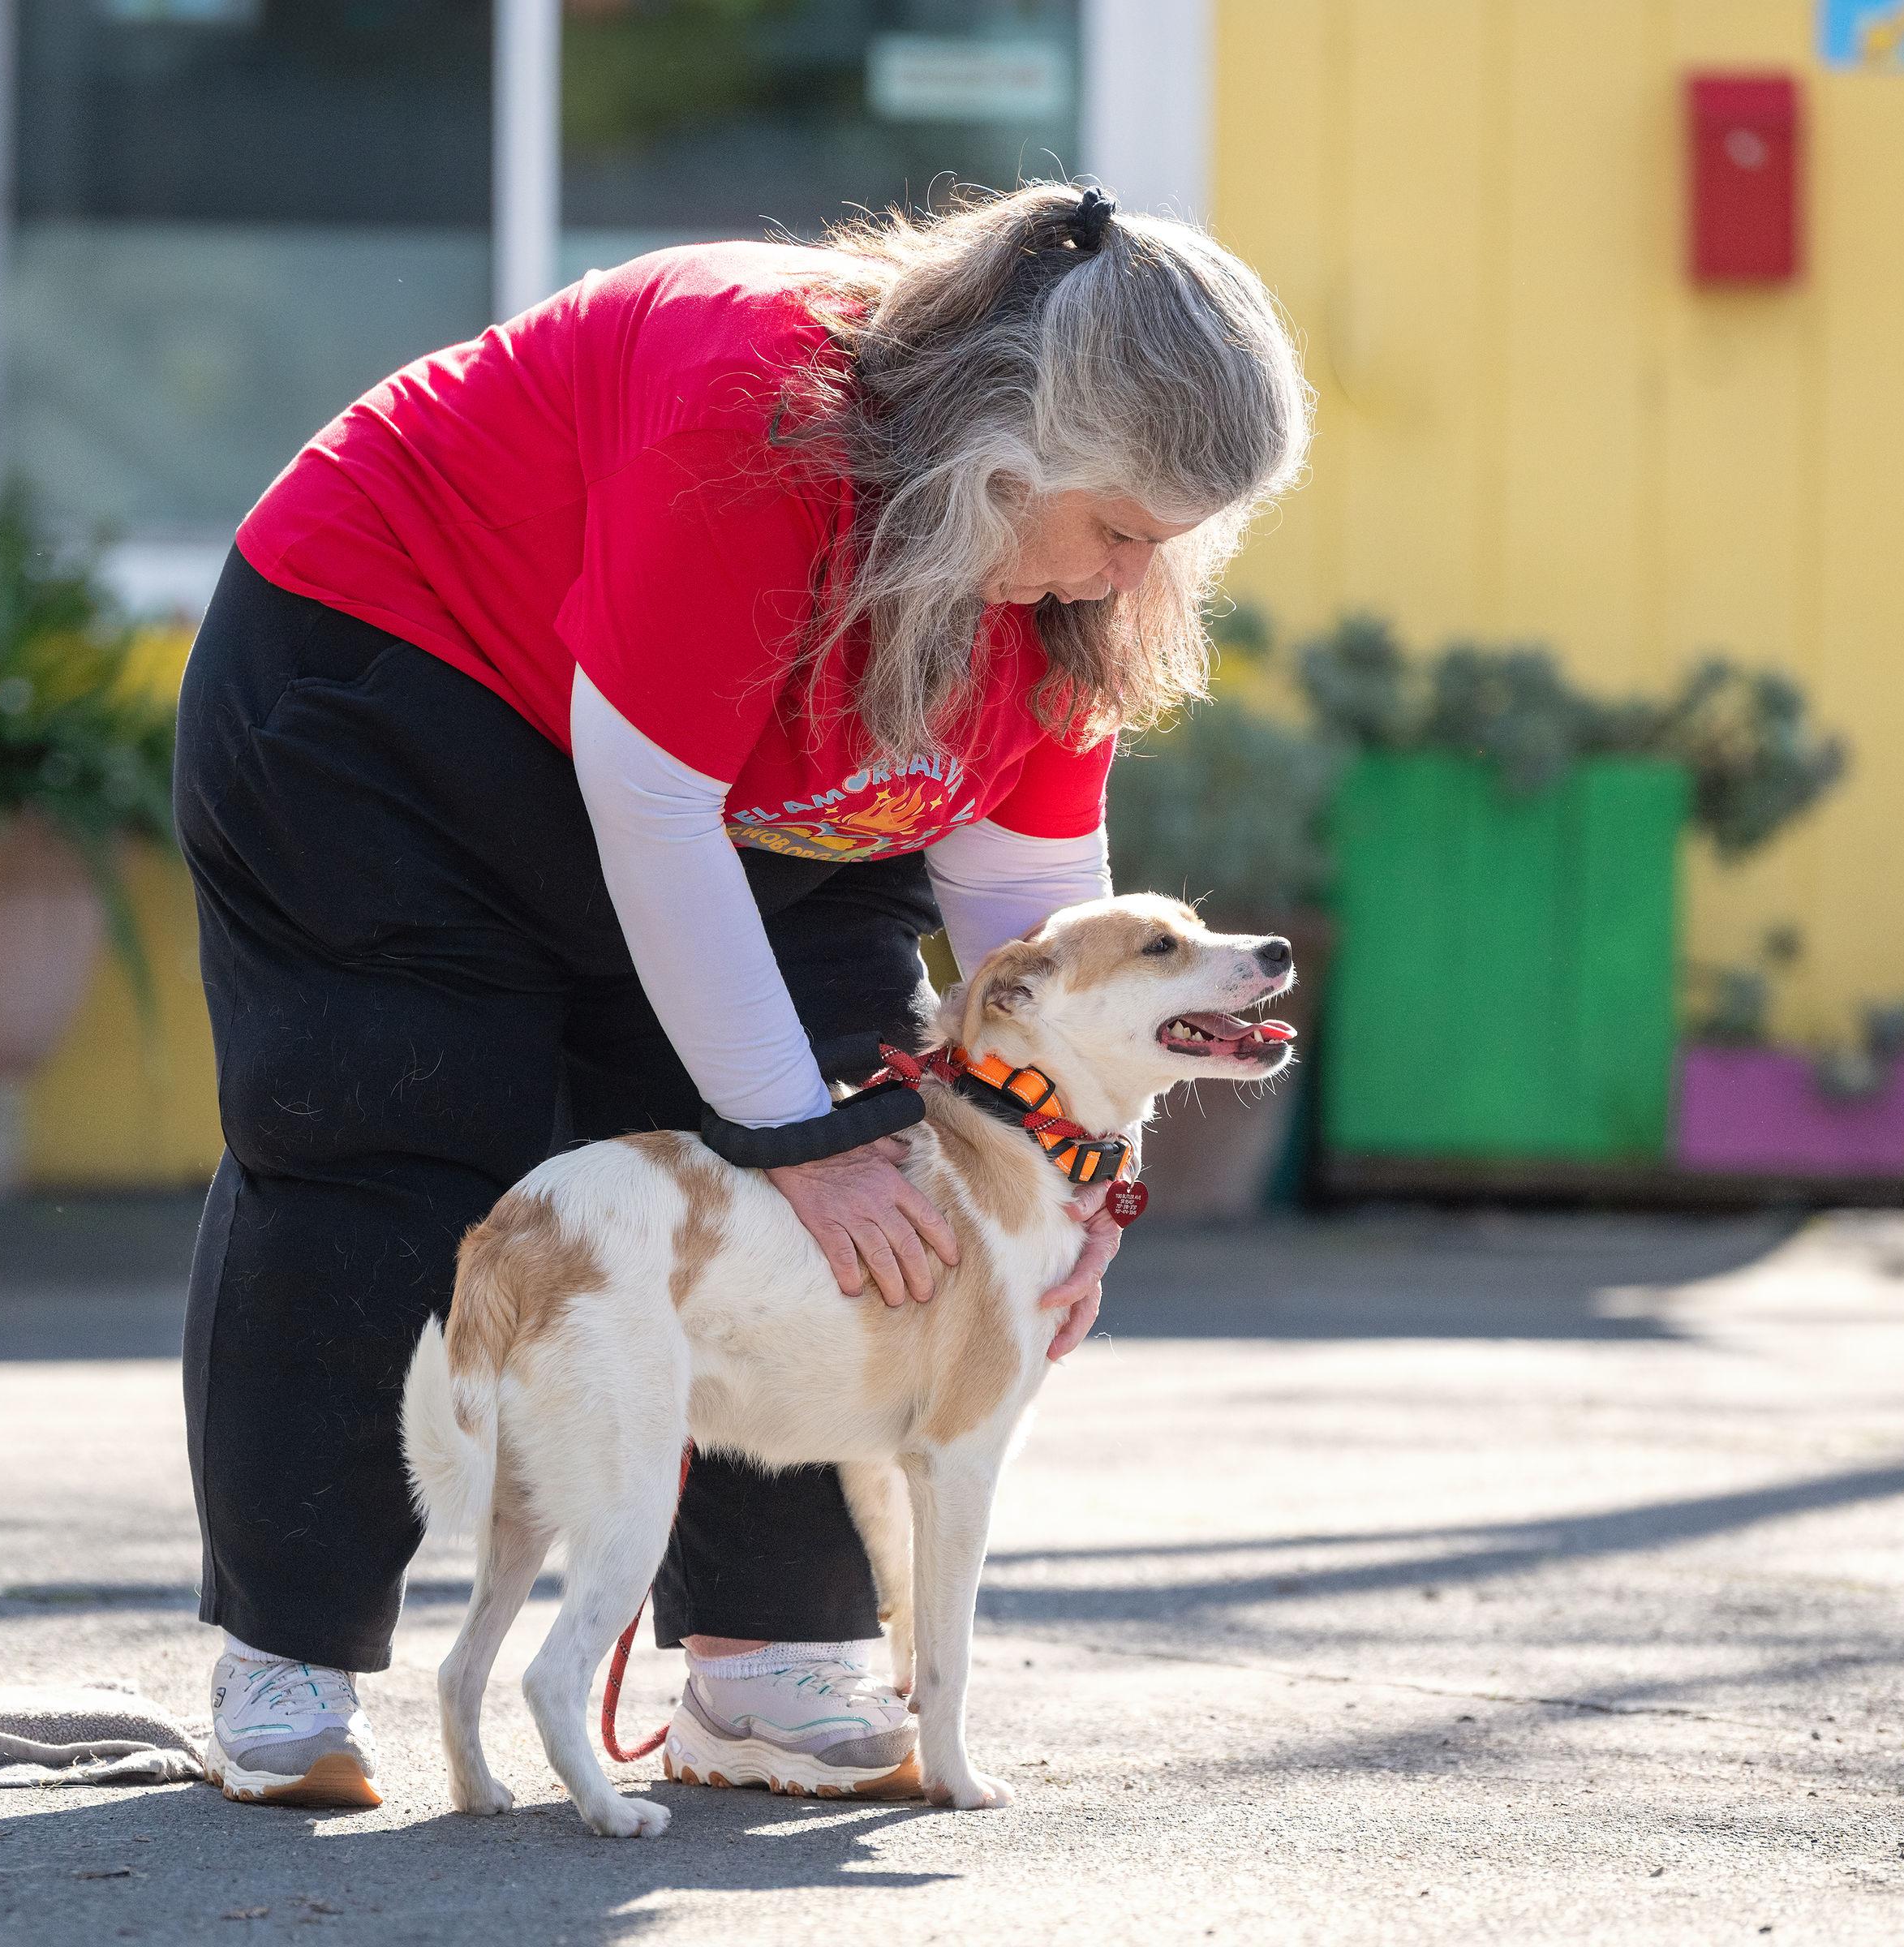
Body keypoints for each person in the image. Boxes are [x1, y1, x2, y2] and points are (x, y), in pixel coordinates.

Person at [175, 182, 1310, 1807]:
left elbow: (1042, 938)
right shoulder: (756, 406)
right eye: (1123, 528)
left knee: (889, 1167)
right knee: (397, 1117)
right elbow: (646, 810)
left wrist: (1074, 1187)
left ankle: (768, 1663)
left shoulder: (1056, 598)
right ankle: (291, 1660)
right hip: (399, 693)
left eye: (1170, 546)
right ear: (1012, 442)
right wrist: (785, 1129)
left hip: (753, 803)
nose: (1135, 580)